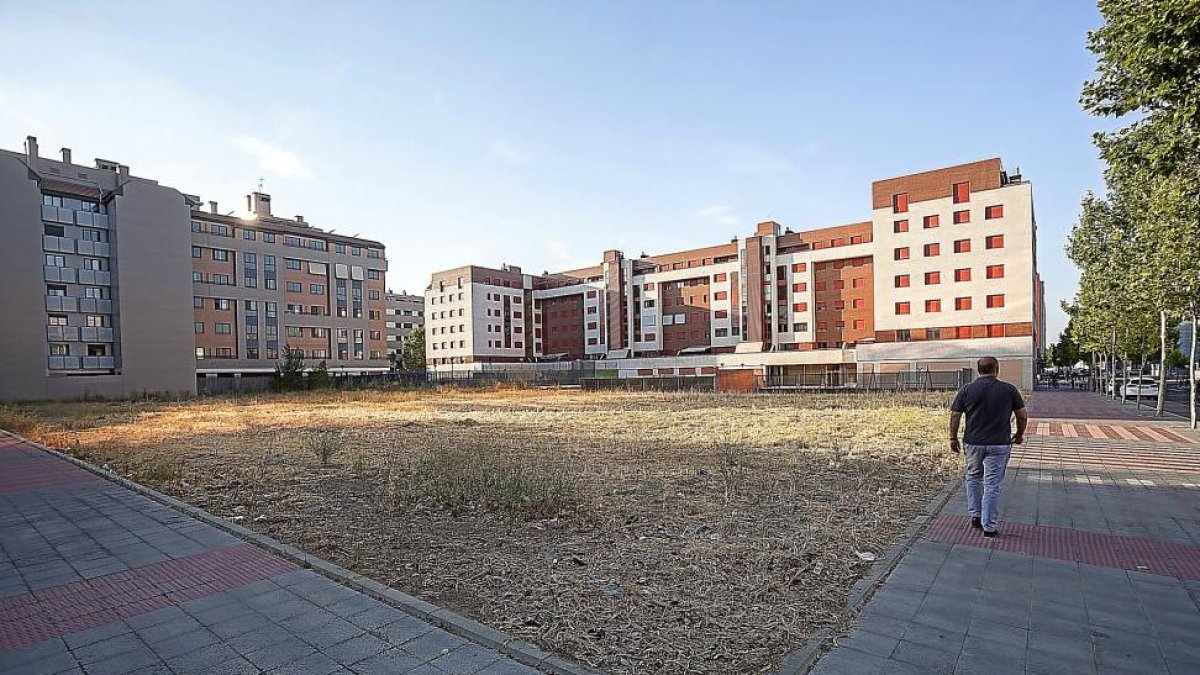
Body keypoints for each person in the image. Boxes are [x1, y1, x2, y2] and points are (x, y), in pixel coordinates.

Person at [949, 357, 1028, 537]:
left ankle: (975, 515)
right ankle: (989, 526)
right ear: (997, 369)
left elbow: (955, 416)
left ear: (978, 370)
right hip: (1000, 443)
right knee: (992, 484)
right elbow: (1022, 415)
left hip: (973, 442)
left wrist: (953, 437)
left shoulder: (967, 389)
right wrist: (1020, 434)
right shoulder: (1009, 389)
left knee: (973, 477)